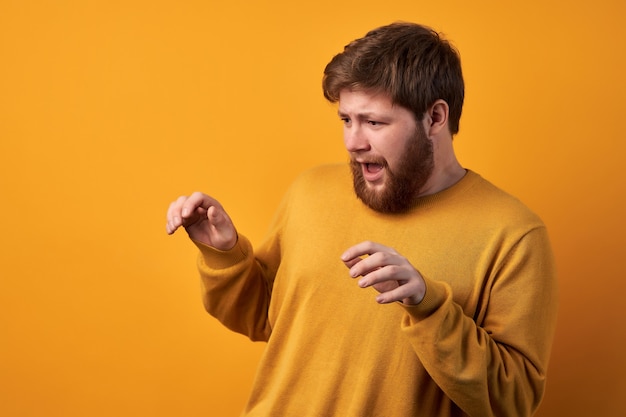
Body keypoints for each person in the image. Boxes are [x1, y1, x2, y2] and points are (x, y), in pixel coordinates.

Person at [165, 22, 558, 417]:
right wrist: (226, 256)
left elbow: (514, 399)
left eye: (374, 122)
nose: (354, 142)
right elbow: (268, 321)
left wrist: (428, 306)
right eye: (346, 120)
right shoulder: (309, 191)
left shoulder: (513, 235)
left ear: (436, 118)